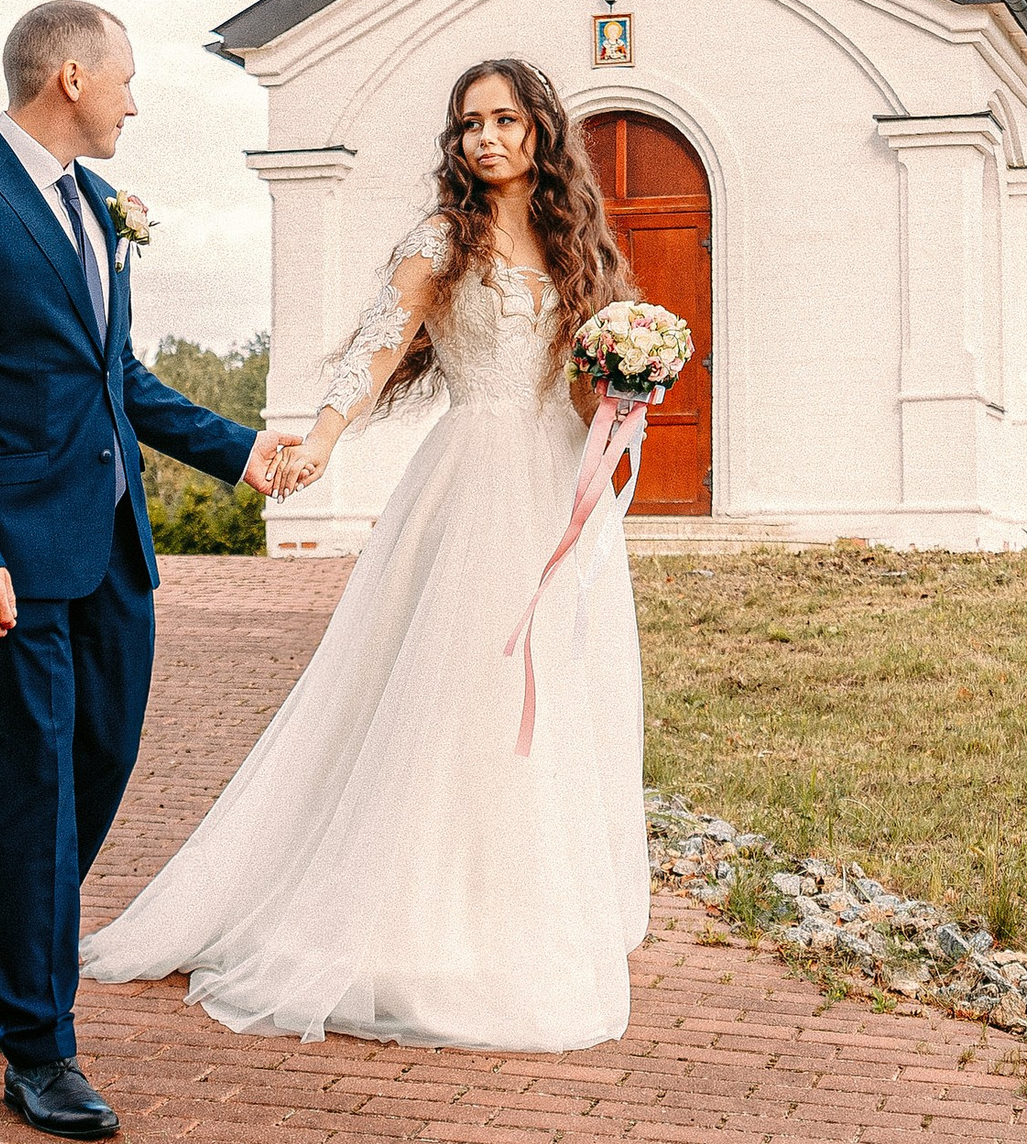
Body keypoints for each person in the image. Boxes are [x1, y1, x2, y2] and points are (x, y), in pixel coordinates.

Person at [82, 57, 650, 1053]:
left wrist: (626, 398)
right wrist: (318, 441)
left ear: (539, 132)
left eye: (506, 119)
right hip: (472, 482)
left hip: (556, 482)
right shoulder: (442, 238)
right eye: (469, 120)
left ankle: (536, 902)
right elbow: (375, 350)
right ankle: (423, 920)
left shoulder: (576, 242)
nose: (485, 137)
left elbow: (580, 375)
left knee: (557, 685)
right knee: (458, 686)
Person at [0, 0, 287, 1140]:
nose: (133, 101)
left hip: (111, 543)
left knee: (101, 758)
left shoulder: (99, 208)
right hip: (11, 555)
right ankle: (39, 1044)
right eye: (125, 80)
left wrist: (239, 450)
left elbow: (120, 380)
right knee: (37, 777)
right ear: (70, 77)